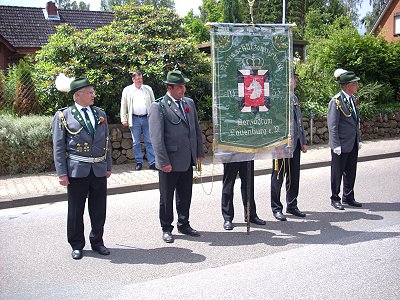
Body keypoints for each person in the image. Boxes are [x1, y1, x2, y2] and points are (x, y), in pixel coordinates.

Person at [52, 75, 112, 260]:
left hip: (99, 169)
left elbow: (106, 141)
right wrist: (62, 173)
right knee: (76, 210)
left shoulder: (100, 114)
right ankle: (77, 244)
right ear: (77, 95)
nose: (93, 95)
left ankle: (97, 241)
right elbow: (58, 146)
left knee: (99, 209)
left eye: (93, 92)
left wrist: (108, 165)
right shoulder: (63, 116)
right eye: (90, 92)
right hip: (77, 169)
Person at [148, 70, 205, 243]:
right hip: (170, 161)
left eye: (184, 85)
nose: (183, 89)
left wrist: (199, 153)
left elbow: (195, 129)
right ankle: (166, 227)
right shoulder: (159, 106)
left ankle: (184, 223)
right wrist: (163, 161)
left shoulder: (189, 103)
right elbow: (156, 138)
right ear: (169, 88)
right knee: (166, 197)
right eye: (179, 86)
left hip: (187, 159)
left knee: (185, 193)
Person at [270, 73, 308, 221]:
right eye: (292, 78)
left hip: (296, 144)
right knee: (278, 176)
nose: (295, 80)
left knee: (294, 176)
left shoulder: (294, 97)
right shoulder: (278, 98)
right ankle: (276, 208)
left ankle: (292, 205)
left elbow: (299, 121)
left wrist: (303, 141)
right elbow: (273, 123)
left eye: (295, 78)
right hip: (281, 145)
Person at [327, 68, 362, 210]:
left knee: (351, 171)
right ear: (348, 86)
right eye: (355, 84)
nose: (357, 86)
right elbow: (332, 125)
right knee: (337, 172)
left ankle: (348, 196)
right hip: (340, 143)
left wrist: (358, 139)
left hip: (352, 142)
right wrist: (335, 144)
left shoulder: (351, 100)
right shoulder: (336, 101)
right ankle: (335, 198)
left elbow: (355, 121)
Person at [120, 70, 156, 171]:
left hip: (147, 118)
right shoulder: (127, 90)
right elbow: (123, 105)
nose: (140, 81)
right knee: (136, 142)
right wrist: (124, 119)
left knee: (149, 141)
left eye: (141, 79)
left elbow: (153, 104)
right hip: (134, 118)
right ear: (133, 79)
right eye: (138, 79)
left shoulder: (148, 89)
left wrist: (154, 118)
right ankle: (139, 162)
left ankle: (152, 162)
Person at [221, 158, 266, 230]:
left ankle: (251, 215)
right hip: (231, 155)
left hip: (247, 154)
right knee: (228, 186)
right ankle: (227, 218)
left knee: (248, 185)